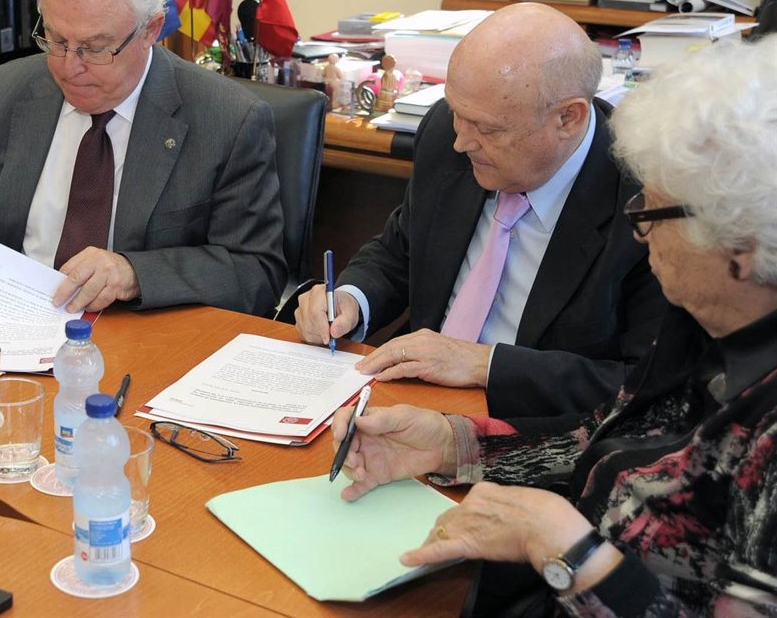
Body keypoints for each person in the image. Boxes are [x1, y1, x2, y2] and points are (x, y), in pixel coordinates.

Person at [331, 41, 777, 615]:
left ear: (743, 249)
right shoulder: (708, 335)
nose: (638, 231)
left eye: (651, 213)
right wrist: (454, 444)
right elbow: (604, 437)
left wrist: (572, 552)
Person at [296, 3, 667, 417]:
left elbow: (646, 386)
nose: (462, 142)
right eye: (458, 113)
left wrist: (485, 365)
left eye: (488, 129)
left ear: (568, 118)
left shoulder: (649, 200)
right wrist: (351, 299)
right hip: (413, 401)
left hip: (534, 426)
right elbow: (401, 252)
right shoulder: (445, 132)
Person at [0, 0, 285, 316]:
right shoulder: (0, 91)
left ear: (150, 30)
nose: (69, 67)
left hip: (145, 336)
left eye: (95, 48)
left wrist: (135, 273)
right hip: (13, 324)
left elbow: (256, 273)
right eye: (56, 40)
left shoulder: (228, 120)